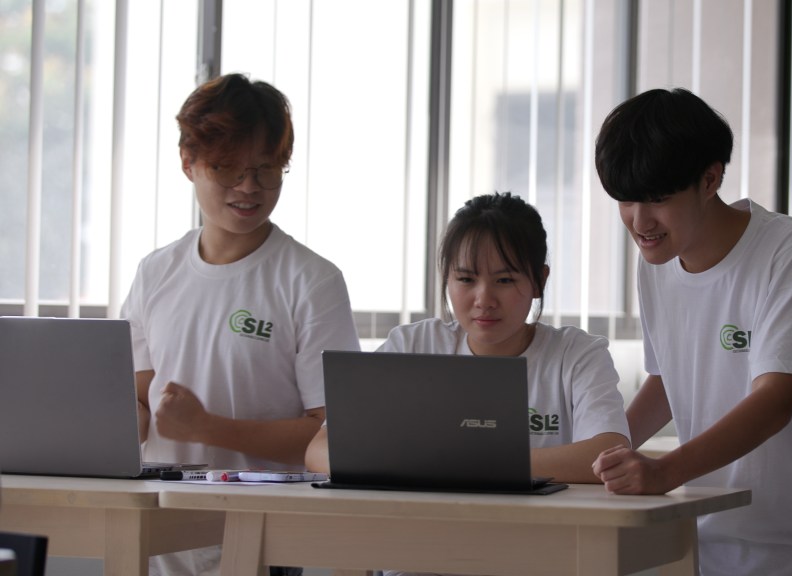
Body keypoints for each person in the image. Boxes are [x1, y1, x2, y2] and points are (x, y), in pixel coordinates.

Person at [590, 88, 792, 575]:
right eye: (626, 200)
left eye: (657, 199)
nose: (640, 221)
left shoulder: (790, 250)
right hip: (706, 541)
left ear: (710, 178)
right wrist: (600, 450)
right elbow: (666, 381)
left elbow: (775, 400)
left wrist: (664, 470)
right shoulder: (656, 265)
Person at [121, 73, 360, 576]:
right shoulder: (155, 272)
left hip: (263, 533)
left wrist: (208, 427)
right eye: (226, 170)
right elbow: (141, 404)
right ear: (188, 163)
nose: (248, 188)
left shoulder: (311, 280)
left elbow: (333, 435)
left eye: (265, 170)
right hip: (157, 529)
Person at [306, 192, 630, 486]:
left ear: (538, 281)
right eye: (465, 279)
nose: (484, 299)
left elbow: (608, 454)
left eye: (504, 279)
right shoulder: (413, 347)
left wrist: (456, 464)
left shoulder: (577, 355)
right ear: (447, 277)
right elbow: (320, 450)